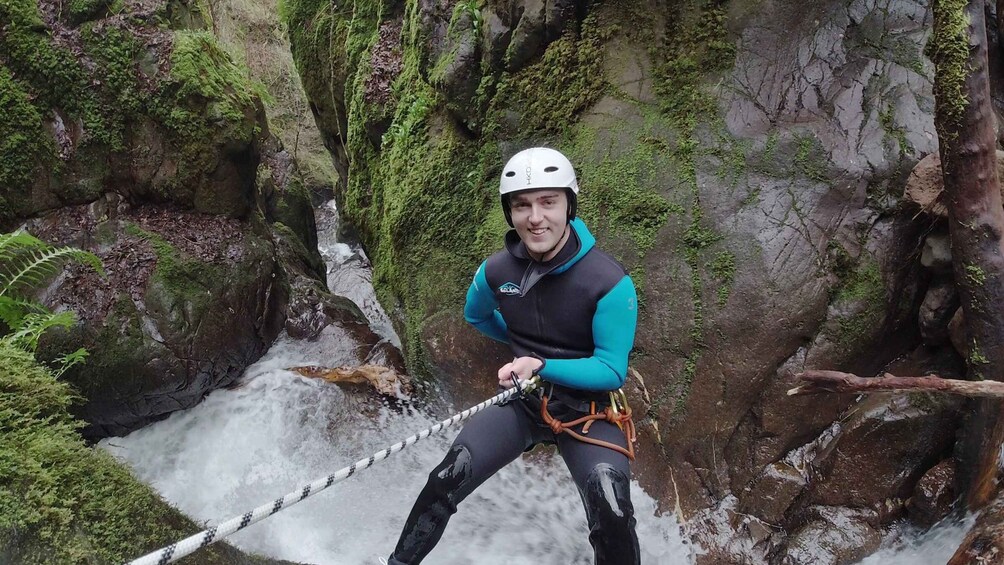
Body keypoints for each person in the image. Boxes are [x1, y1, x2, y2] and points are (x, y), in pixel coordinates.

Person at [386, 147, 640, 564]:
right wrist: (521, 350)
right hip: (523, 404)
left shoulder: (609, 282)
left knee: (613, 514)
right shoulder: (496, 271)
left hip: (589, 411)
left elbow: (611, 370)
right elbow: (476, 315)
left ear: (569, 205)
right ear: (509, 213)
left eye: (548, 202)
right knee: (446, 478)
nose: (535, 217)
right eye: (522, 205)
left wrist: (539, 364)